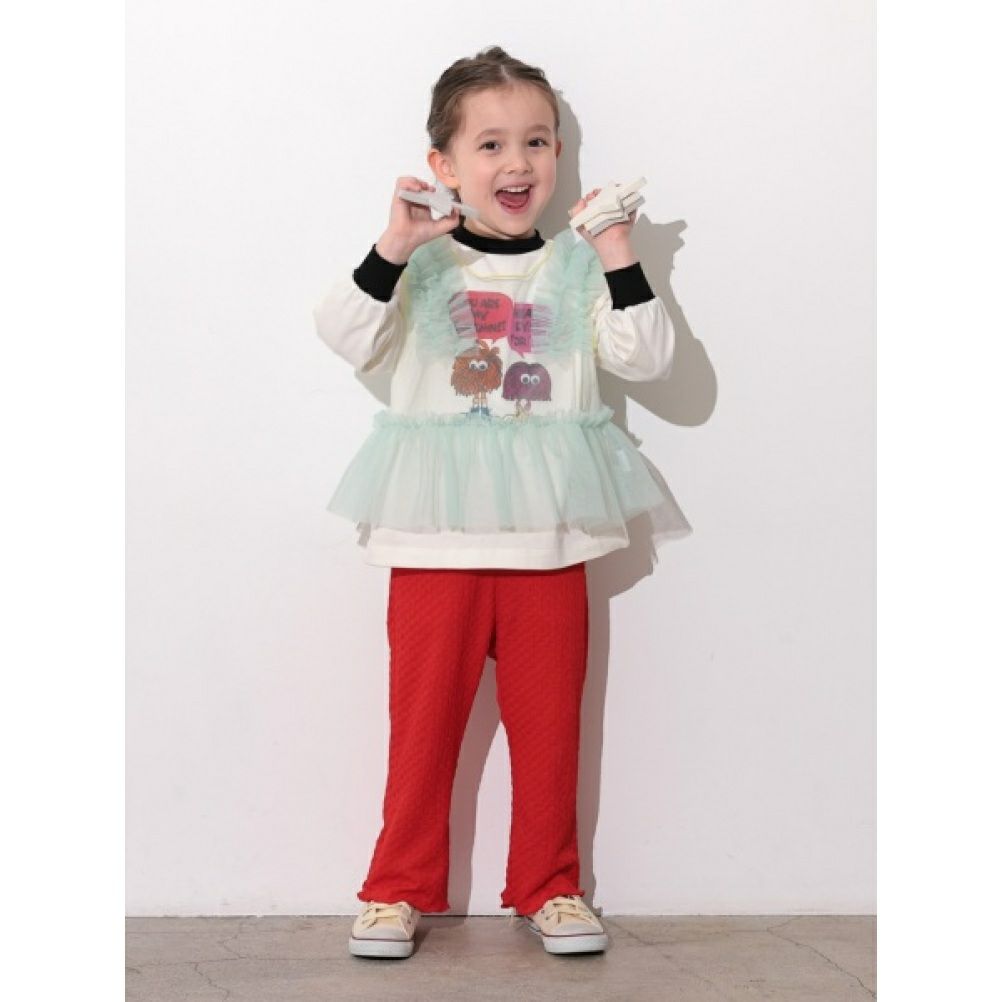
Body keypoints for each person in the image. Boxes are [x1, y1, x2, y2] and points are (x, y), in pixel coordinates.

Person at [313, 46, 691, 959]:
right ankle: (396, 888)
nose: (517, 163)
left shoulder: (577, 264)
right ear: (443, 164)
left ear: (558, 154)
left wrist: (616, 250)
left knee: (551, 727)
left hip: (548, 542)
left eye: (537, 141)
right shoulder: (420, 264)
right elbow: (345, 334)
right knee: (422, 730)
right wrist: (394, 245)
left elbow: (648, 358)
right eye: (490, 145)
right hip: (434, 541)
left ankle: (551, 885)